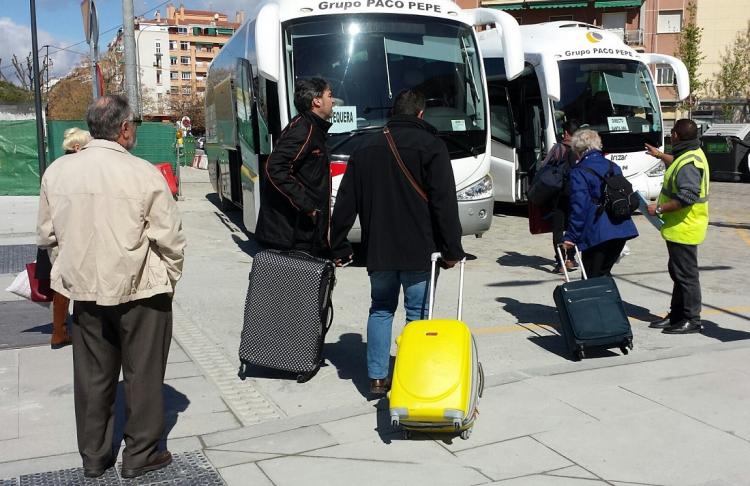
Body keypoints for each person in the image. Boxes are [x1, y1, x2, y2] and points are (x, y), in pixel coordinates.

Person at [37, 95, 186, 479]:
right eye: (133, 124)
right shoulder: (144, 173)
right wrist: (169, 279)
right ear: (123, 128)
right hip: (142, 290)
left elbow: (47, 236)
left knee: (92, 376)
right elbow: (169, 238)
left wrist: (70, 270)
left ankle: (94, 456)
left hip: (85, 292)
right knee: (144, 374)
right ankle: (140, 454)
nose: (134, 130)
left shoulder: (57, 171)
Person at [330, 89, 465, 396]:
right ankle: (410, 373)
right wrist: (451, 250)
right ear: (420, 114)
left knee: (380, 308)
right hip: (421, 249)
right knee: (417, 314)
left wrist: (338, 244)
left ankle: (377, 377)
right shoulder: (432, 145)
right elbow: (444, 203)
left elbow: (345, 204)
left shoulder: (364, 148)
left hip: (379, 249)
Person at [255, 77, 334, 256]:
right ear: (317, 101)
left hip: (302, 232)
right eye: (330, 95)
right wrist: (308, 206)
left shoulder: (313, 128)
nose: (333, 101)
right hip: (292, 235)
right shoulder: (304, 129)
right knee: (296, 283)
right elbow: (275, 168)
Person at [645, 119, 709, 334]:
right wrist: (659, 156)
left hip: (685, 227)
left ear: (675, 136)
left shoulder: (690, 162)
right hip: (678, 228)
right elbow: (678, 163)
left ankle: (692, 319)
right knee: (678, 272)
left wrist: (660, 209)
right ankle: (677, 314)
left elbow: (687, 196)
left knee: (687, 276)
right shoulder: (690, 154)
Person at [35, 127, 94, 349]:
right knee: (85, 285)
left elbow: (45, 212)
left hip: (58, 238)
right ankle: (81, 333)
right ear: (78, 147)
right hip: (81, 234)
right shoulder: (86, 170)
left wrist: (45, 240)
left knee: (62, 284)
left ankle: (58, 331)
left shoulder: (53, 169)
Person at [562, 129, 638, 277]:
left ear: (578, 150)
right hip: (620, 228)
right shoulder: (612, 166)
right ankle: (609, 299)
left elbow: (579, 207)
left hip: (597, 231)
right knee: (603, 273)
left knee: (592, 278)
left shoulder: (579, 171)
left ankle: (601, 300)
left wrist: (571, 237)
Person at [541, 119, 580, 273]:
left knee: (558, 230)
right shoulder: (583, 150)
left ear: (566, 133)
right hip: (576, 195)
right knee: (573, 227)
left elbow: (544, 166)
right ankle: (571, 259)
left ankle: (561, 262)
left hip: (559, 195)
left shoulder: (559, 148)